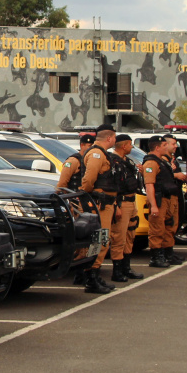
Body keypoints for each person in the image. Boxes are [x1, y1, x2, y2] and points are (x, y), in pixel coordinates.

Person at [79, 125, 119, 294]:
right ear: (109, 138)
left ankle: (94, 274)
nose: (115, 140)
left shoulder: (103, 154)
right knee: (98, 240)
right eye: (114, 137)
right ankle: (91, 277)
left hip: (106, 204)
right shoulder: (96, 154)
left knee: (103, 240)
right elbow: (88, 180)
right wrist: (89, 197)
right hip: (98, 204)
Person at [58, 133, 96, 285]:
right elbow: (62, 184)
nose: (90, 149)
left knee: (88, 240)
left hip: (88, 203)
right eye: (88, 146)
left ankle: (84, 271)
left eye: (92, 146)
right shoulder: (73, 161)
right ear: (82, 145)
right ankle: (79, 274)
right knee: (80, 240)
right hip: (76, 203)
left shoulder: (90, 161)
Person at [109, 134, 144, 282]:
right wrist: (115, 205)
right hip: (121, 202)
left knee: (130, 236)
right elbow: (112, 186)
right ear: (124, 146)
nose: (131, 147)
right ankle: (117, 271)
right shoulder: (112, 161)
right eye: (130, 144)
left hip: (131, 201)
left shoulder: (127, 161)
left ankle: (126, 267)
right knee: (119, 237)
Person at [142, 136, 179, 268]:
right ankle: (156, 257)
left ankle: (167, 254)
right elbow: (149, 185)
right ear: (157, 148)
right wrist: (153, 205)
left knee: (168, 227)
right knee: (157, 229)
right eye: (164, 145)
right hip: (159, 199)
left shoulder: (162, 161)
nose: (166, 147)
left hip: (167, 199)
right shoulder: (151, 163)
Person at [163, 134, 187, 265]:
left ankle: (169, 251)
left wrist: (183, 176)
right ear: (165, 144)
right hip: (166, 196)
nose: (176, 146)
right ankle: (164, 254)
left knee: (174, 224)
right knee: (166, 226)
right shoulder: (161, 160)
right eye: (173, 144)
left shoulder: (172, 159)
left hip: (176, 193)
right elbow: (160, 176)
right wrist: (176, 175)